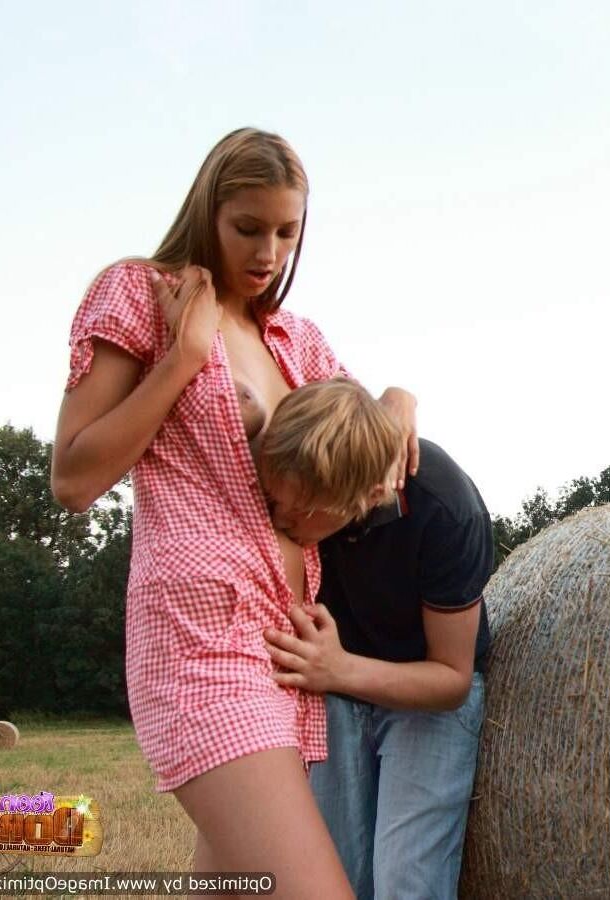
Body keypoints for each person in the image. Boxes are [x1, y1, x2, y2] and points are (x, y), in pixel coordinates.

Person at [50, 128, 419, 898]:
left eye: (287, 232)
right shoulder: (142, 295)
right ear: (208, 209)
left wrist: (398, 398)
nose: (269, 253)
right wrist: (182, 357)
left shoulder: (297, 342)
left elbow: (363, 439)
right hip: (201, 645)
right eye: (248, 228)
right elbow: (74, 479)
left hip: (279, 653)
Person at [257, 378, 493, 900]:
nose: (280, 520)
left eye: (300, 512)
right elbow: (349, 400)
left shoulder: (445, 509)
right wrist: (396, 392)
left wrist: (337, 670)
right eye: (277, 502)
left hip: (425, 698)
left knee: (406, 883)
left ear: (366, 496)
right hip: (337, 694)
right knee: (329, 877)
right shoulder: (311, 462)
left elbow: (452, 679)